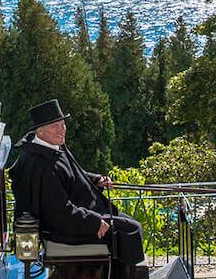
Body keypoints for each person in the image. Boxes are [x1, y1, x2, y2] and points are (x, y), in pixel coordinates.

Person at [9, 99, 147, 279]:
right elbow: (59, 212)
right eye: (55, 126)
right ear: (40, 131)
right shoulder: (40, 164)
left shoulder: (54, 146)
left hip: (84, 212)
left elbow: (73, 173)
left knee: (128, 222)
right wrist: (93, 221)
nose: (62, 130)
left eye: (62, 124)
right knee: (131, 229)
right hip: (64, 228)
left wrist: (95, 179)